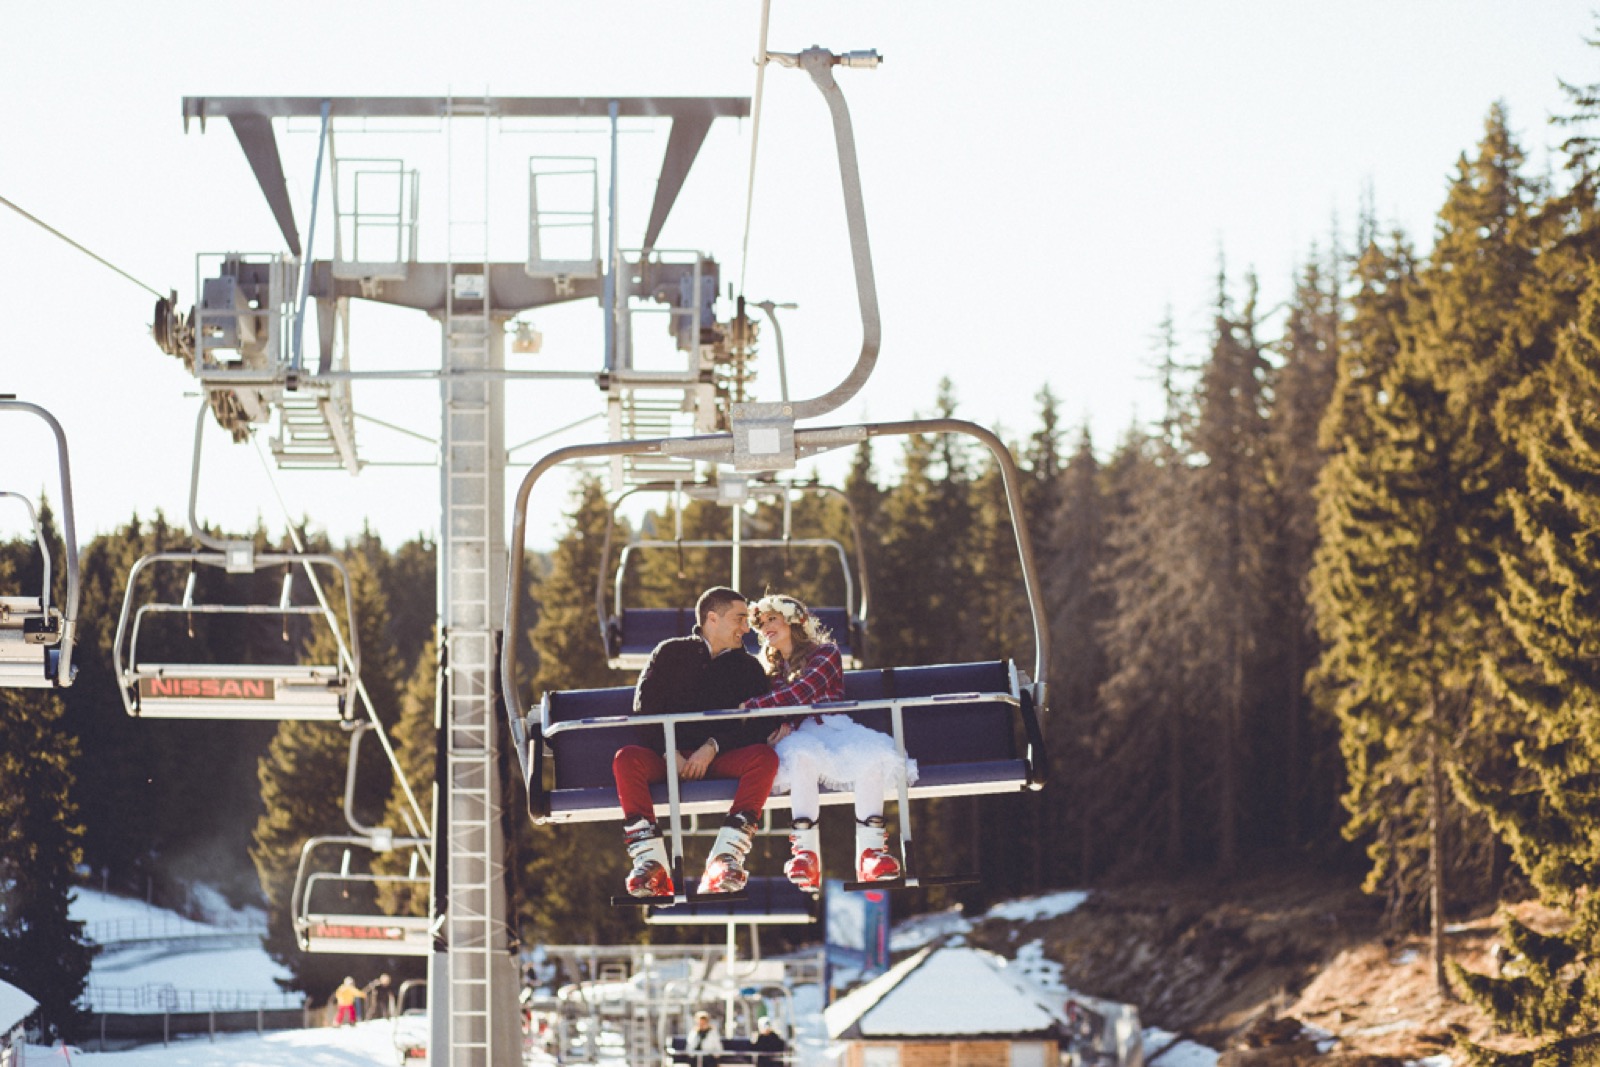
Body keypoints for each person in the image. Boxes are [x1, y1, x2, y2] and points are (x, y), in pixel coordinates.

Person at [743, 594, 915, 888]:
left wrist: (754, 707)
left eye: (772, 619)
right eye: (760, 624)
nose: (765, 627)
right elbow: (780, 710)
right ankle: (805, 853)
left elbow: (802, 693)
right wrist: (776, 725)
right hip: (799, 737)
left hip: (834, 729)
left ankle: (872, 852)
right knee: (800, 756)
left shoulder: (825, 654)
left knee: (873, 755)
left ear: (793, 620)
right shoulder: (766, 671)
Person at [614, 586, 775, 897]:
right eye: (739, 619)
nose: (746, 628)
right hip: (668, 758)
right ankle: (650, 863)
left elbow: (758, 725)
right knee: (626, 759)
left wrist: (713, 747)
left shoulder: (749, 668)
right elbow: (644, 709)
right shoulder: (670, 652)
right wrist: (667, 750)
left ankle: (726, 856)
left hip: (718, 758)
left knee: (764, 759)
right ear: (711, 619)